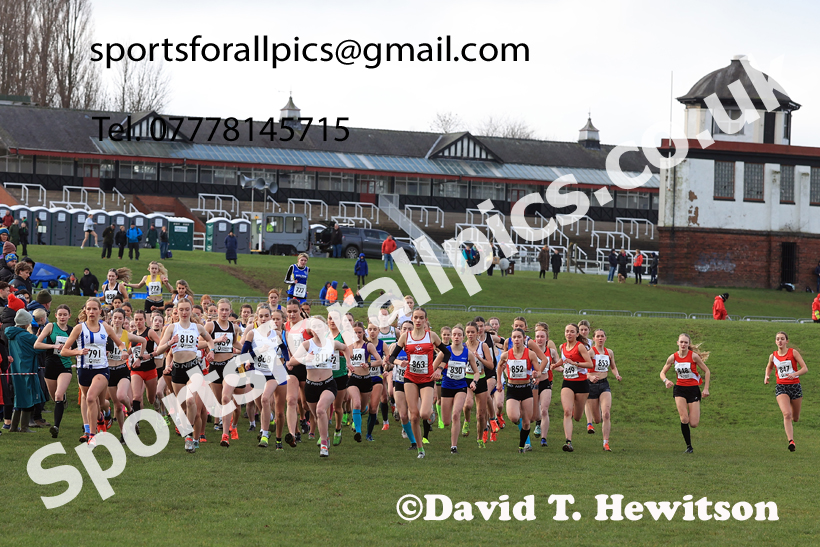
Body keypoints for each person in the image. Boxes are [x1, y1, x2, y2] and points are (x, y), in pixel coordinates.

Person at [61, 298, 127, 445]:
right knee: (99, 403)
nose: (91, 312)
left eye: (94, 309)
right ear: (85, 310)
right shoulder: (79, 328)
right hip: (84, 370)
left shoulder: (105, 327)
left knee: (90, 398)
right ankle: (103, 416)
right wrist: (77, 352)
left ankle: (91, 434)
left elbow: (120, 343)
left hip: (101, 370)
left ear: (100, 311)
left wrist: (124, 350)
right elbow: (64, 351)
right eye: (88, 309)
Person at [388, 307, 450, 459]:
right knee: (414, 416)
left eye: (421, 318)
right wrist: (398, 362)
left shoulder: (431, 336)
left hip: (427, 379)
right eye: (415, 317)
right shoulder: (405, 337)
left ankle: (430, 412)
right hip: (410, 378)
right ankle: (420, 449)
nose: (418, 320)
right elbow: (391, 358)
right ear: (412, 318)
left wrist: (439, 370)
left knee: (424, 414)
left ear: (425, 320)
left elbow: (447, 352)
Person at [288, 316, 351, 457]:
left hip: (328, 383)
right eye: (314, 327)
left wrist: (347, 362)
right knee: (316, 415)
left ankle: (323, 444)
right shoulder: (306, 345)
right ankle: (326, 436)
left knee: (321, 410)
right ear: (310, 329)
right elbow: (292, 360)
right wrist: (305, 359)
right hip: (310, 386)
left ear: (325, 327)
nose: (317, 329)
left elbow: (346, 348)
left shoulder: (332, 343)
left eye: (319, 326)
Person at [159, 299, 215, 453]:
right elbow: (159, 350)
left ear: (191, 311)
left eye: (186, 310)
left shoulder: (197, 327)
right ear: (176, 311)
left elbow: (210, 340)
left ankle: (189, 437)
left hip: (193, 369)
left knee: (191, 400)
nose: (184, 313)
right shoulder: (172, 328)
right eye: (181, 310)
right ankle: (195, 438)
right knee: (186, 409)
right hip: (177, 370)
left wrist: (212, 351)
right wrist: (170, 342)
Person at [660, 333, 711, 453]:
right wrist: (666, 380)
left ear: (688, 344)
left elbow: (707, 371)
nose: (683, 344)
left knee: (693, 423)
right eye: (681, 342)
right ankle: (689, 447)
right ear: (677, 343)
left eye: (686, 342)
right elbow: (662, 373)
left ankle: (694, 410)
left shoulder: (693, 357)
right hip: (680, 390)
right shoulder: (673, 357)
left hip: (693, 389)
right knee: (684, 419)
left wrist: (706, 388)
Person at [432, 324, 478, 454]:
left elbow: (476, 372)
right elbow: (432, 367)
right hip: (446, 386)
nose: (456, 337)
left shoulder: (468, 353)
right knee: (446, 421)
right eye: (454, 334)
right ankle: (448, 427)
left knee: (456, 414)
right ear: (451, 337)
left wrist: (474, 381)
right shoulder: (445, 351)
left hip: (461, 386)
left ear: (463, 337)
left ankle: (454, 446)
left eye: (459, 335)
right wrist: (436, 373)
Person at [497, 328, 543, 453]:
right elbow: (499, 367)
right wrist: (499, 382)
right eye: (514, 337)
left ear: (524, 339)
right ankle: (517, 419)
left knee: (527, 423)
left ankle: (522, 446)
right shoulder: (506, 354)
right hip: (512, 389)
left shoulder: (530, 354)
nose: (516, 339)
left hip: (526, 389)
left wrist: (535, 374)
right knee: (514, 417)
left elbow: (539, 371)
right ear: (511, 339)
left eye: (519, 337)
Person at [764, 331, 808, 452]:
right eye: (778, 339)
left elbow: (805, 368)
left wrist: (795, 374)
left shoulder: (793, 352)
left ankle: (794, 421)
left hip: (795, 387)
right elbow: (769, 366)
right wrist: (766, 376)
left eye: (782, 339)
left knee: (795, 418)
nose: (780, 341)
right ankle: (791, 441)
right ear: (775, 341)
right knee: (786, 414)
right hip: (781, 387)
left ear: (786, 341)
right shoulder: (773, 356)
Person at [553, 323, 593, 452]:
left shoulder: (580, 347)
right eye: (567, 331)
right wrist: (555, 364)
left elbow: (590, 363)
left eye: (571, 332)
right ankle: (568, 442)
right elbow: (564, 359)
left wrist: (575, 363)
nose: (568, 334)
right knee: (567, 412)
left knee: (577, 417)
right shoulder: (562, 346)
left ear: (577, 334)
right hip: (568, 382)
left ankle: (576, 408)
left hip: (581, 384)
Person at [5, 309, 46, 433]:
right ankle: (24, 427)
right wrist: (41, 336)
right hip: (27, 369)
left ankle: (13, 427)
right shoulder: (25, 335)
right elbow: (40, 345)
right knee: (28, 397)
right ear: (26, 323)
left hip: (16, 369)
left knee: (19, 397)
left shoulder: (12, 334)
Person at [586, 329, 622, 451]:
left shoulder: (609, 352)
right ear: (594, 338)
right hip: (591, 386)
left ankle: (606, 443)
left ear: (605, 338)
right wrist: (590, 377)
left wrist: (616, 374)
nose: (600, 338)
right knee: (597, 419)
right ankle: (592, 423)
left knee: (606, 414)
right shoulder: (590, 352)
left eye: (602, 336)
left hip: (604, 385)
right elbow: (582, 369)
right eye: (598, 336)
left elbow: (613, 366)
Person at [346, 321, 382, 443]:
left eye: (359, 332)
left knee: (362, 409)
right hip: (354, 379)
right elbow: (345, 360)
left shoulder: (368, 345)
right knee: (356, 404)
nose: (357, 334)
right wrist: (348, 367)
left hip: (366, 379)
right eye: (355, 332)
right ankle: (358, 432)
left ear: (363, 333)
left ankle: (364, 411)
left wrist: (368, 364)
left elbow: (380, 361)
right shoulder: (349, 346)